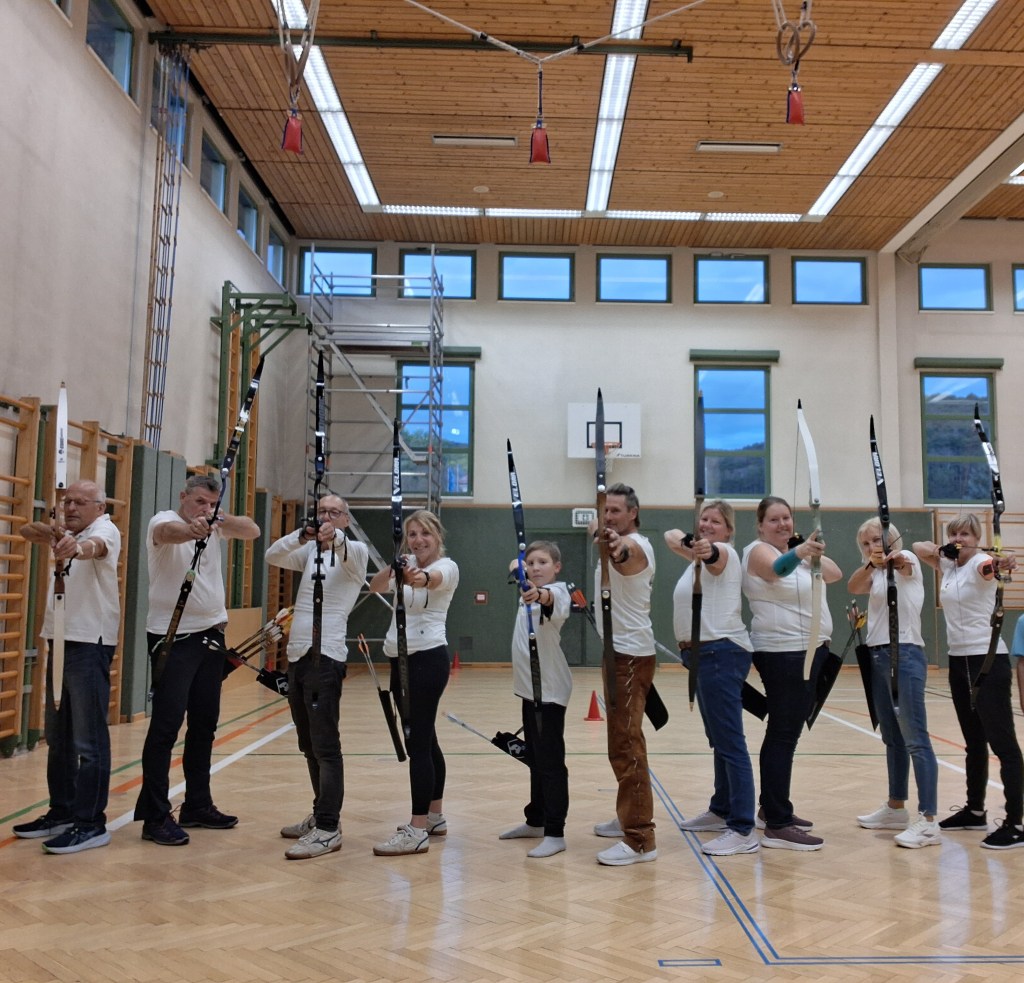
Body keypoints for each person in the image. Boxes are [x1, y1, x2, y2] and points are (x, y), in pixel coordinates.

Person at [133, 474, 260, 846]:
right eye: (199, 501)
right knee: (166, 727)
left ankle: (198, 804)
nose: (205, 508)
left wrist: (218, 519)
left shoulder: (215, 524)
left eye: (211, 503)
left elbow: (251, 530)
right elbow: (169, 533)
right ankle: (155, 816)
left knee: (204, 724)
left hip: (212, 635)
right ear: (183, 496)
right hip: (174, 638)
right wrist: (192, 529)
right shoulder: (163, 521)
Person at [14, 481, 121, 854]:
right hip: (60, 639)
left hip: (89, 643)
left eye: (80, 502)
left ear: (99, 506)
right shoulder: (68, 532)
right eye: (67, 501)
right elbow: (27, 530)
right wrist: (55, 532)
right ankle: (62, 811)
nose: (72, 507)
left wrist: (76, 546)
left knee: (88, 740)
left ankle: (91, 823)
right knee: (58, 737)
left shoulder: (105, 530)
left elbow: (97, 548)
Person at [265, 494, 368, 860]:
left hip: (327, 657)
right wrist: (303, 535)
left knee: (325, 745)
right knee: (308, 744)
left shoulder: (355, 552)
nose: (326, 516)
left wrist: (331, 535)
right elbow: (273, 554)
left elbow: (346, 550)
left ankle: (328, 826)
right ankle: (320, 812)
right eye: (321, 511)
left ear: (345, 519)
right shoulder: (309, 552)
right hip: (298, 656)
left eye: (334, 512)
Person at [914, 514, 1023, 849]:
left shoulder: (979, 563)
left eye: (966, 534)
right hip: (958, 660)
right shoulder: (949, 565)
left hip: (986, 660)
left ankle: (1016, 823)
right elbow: (918, 547)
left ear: (978, 538)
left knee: (1003, 743)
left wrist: (1000, 563)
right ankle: (975, 810)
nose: (959, 538)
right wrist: (943, 550)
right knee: (973, 741)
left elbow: (991, 567)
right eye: (954, 533)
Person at [741, 495, 842, 851]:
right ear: (760, 526)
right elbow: (775, 571)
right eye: (774, 519)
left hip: (810, 651)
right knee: (783, 734)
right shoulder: (758, 551)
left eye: (786, 518)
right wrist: (800, 551)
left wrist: (807, 551)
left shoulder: (797, 555)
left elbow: (834, 573)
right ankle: (778, 823)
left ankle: (772, 808)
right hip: (784, 653)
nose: (782, 524)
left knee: (786, 733)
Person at [665, 500, 757, 857]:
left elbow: (715, 556)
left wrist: (707, 548)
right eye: (703, 519)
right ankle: (721, 809)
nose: (706, 524)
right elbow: (671, 535)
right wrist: (695, 545)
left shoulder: (726, 555)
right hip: (704, 655)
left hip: (721, 652)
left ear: (729, 530)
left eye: (715, 521)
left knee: (730, 741)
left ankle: (743, 828)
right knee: (718, 738)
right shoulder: (696, 557)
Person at [368, 510, 458, 856]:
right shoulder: (405, 564)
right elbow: (375, 586)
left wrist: (414, 575)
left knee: (417, 742)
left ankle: (417, 828)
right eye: (413, 534)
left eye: (425, 534)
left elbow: (430, 580)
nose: (419, 540)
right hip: (400, 660)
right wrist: (395, 567)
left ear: (438, 536)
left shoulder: (447, 566)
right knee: (426, 738)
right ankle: (434, 817)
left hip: (426, 660)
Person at [848, 518, 941, 849]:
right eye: (866, 543)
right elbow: (853, 586)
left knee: (916, 738)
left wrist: (891, 557)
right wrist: (872, 562)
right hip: (878, 655)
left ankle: (929, 820)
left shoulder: (907, 559)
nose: (872, 546)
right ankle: (896, 807)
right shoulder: (873, 573)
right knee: (892, 737)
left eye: (878, 539)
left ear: (892, 539)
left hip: (905, 654)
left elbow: (903, 563)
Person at [590, 482, 658, 866]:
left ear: (633, 513)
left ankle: (640, 838)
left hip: (629, 657)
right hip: (617, 653)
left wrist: (616, 544)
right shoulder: (605, 534)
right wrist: (603, 532)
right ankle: (628, 816)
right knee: (620, 742)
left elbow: (625, 555)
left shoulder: (638, 546)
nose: (609, 517)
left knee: (626, 745)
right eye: (605, 510)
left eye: (616, 510)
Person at [499, 541, 572, 859]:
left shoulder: (558, 592)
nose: (536, 567)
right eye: (531, 562)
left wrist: (533, 588)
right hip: (530, 691)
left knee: (551, 763)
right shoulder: (525, 589)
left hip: (549, 692)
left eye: (543, 562)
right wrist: (521, 571)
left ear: (557, 567)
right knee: (536, 759)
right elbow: (517, 568)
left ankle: (555, 832)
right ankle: (537, 820)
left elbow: (549, 598)